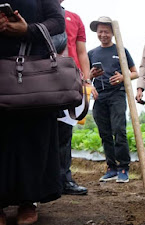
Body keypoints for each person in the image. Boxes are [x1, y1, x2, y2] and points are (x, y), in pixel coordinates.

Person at [0, 1, 65, 224]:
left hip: (33, 75)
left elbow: (58, 22)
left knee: (33, 136)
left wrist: (28, 30)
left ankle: (28, 200)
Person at [88, 16, 138, 183]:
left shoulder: (121, 51)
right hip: (99, 96)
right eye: (100, 31)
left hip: (116, 95)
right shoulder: (92, 53)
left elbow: (135, 72)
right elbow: (85, 77)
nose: (103, 34)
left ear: (113, 33)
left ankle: (124, 167)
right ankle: (111, 168)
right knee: (105, 133)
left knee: (119, 130)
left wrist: (123, 77)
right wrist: (90, 77)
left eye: (106, 32)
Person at [57, 0, 98, 195]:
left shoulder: (74, 19)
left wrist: (86, 80)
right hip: (39, 81)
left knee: (65, 133)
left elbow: (81, 52)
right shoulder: (34, 15)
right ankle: (42, 183)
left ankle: (64, 179)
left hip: (69, 82)